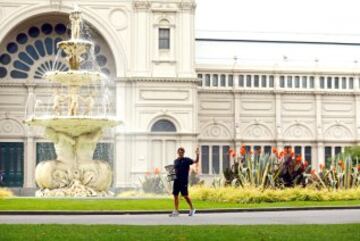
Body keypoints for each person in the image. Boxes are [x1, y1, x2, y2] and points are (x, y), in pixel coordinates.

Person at [169, 147, 199, 217]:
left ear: (183, 153)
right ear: (177, 153)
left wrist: (197, 154)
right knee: (175, 195)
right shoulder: (175, 161)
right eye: (179, 152)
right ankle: (176, 211)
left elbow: (196, 161)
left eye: (182, 152)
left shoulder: (187, 160)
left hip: (183, 181)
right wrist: (171, 178)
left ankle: (192, 208)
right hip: (176, 181)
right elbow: (173, 171)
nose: (180, 153)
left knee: (185, 195)